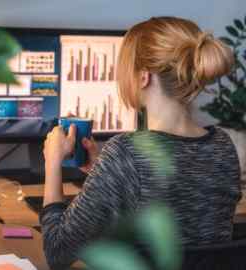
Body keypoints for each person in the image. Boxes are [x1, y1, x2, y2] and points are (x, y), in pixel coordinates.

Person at [41, 16, 241, 269]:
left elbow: (57, 252)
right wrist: (103, 175)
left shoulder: (126, 153)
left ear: (144, 77)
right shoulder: (223, 146)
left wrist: (53, 164)